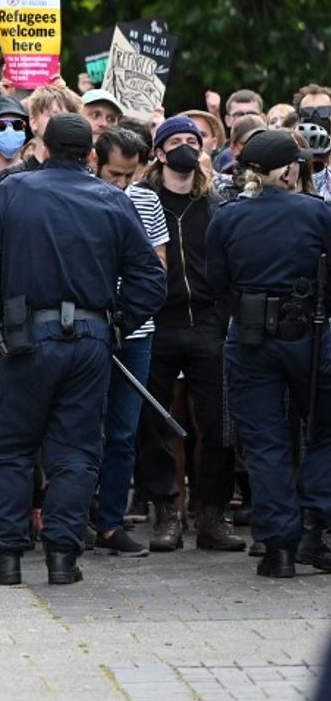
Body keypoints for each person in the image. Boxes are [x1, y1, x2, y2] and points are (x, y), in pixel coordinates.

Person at [0, 113, 165, 587]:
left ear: (43, 148)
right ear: (90, 155)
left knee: (9, 444)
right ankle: (63, 556)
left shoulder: (13, 190)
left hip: (29, 336)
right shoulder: (113, 200)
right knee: (76, 449)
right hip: (90, 339)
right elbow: (151, 279)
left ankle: (4, 555)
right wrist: (116, 326)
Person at [205, 129, 331, 578]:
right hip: (309, 336)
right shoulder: (317, 214)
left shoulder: (227, 217)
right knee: (323, 431)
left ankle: (278, 547)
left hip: (251, 336)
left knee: (264, 443)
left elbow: (217, 282)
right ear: (291, 168)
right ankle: (316, 526)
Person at [137, 116, 244, 553]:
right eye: (175, 141)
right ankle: (166, 508)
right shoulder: (143, 203)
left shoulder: (217, 204)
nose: (184, 147)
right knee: (155, 421)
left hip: (207, 323)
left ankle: (212, 512)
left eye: (191, 141)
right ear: (159, 152)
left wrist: (221, 315)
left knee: (219, 422)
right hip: (158, 324)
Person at [91, 128, 169, 558]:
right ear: (94, 162)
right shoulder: (81, 196)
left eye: (127, 175)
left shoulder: (146, 200)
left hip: (134, 331)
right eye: (112, 174)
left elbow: (159, 262)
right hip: (88, 329)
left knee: (122, 431)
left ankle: (110, 522)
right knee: (85, 427)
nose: (119, 184)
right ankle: (79, 514)